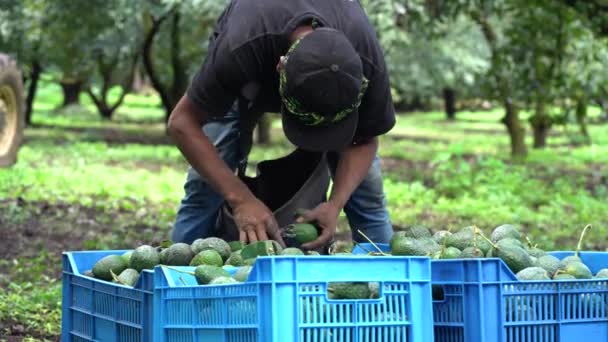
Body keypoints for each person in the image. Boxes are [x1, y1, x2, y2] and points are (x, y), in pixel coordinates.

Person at [167, 0, 396, 250]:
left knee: (367, 195)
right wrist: (240, 198)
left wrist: (335, 204)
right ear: (280, 66)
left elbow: (364, 139)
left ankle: (389, 277)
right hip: (246, 78)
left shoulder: (365, 60)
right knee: (204, 188)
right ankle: (178, 276)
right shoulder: (240, 47)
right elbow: (182, 123)